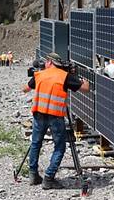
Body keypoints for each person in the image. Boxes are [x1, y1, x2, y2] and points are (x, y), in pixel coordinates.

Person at [22, 52, 89, 189]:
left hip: (39, 114)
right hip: (55, 115)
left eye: (46, 62)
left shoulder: (40, 75)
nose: (44, 64)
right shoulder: (65, 76)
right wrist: (84, 81)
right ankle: (49, 178)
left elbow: (25, 89)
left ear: (50, 62)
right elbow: (85, 89)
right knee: (60, 146)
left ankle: (33, 174)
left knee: (35, 143)